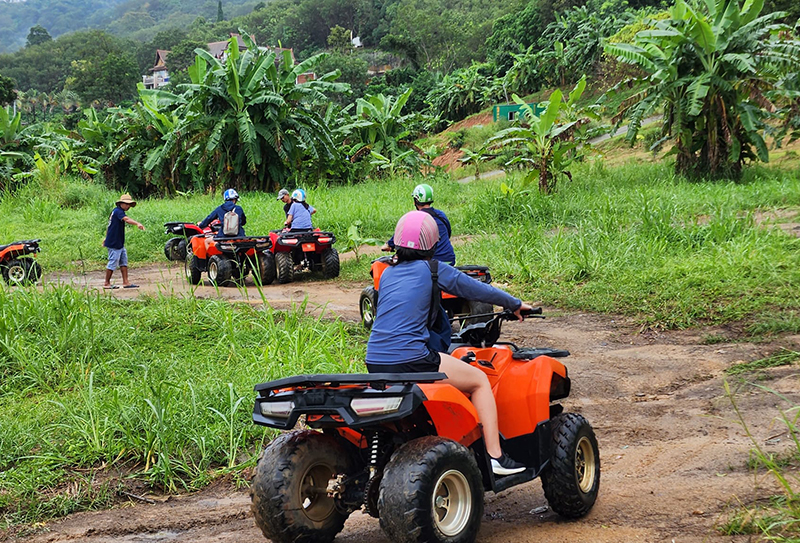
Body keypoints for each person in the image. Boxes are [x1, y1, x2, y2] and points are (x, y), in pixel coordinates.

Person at [366, 210, 533, 476]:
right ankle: (495, 457)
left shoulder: (386, 274)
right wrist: (514, 304)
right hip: (412, 358)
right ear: (433, 243)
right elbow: (476, 289)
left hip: (375, 361)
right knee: (478, 380)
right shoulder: (434, 269)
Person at [382, 183, 456, 265]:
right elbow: (448, 233)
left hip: (430, 263)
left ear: (416, 201)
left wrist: (388, 245)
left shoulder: (415, 219)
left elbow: (400, 238)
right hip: (449, 259)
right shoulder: (441, 215)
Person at [102, 193, 145, 289]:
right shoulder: (118, 212)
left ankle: (126, 282)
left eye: (129, 204)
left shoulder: (116, 212)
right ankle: (106, 283)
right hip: (114, 242)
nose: (128, 206)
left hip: (118, 242)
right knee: (113, 261)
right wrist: (137, 223)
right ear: (121, 203)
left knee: (123, 261)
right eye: (127, 204)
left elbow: (109, 226)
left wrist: (106, 237)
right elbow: (126, 219)